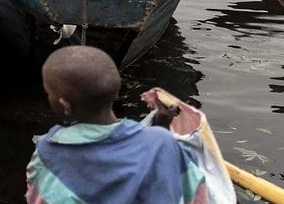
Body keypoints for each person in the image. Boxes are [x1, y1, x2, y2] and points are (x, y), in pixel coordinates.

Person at [26, 46, 206, 203]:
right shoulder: (163, 142)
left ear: (65, 105)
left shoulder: (49, 154)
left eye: (48, 93)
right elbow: (193, 192)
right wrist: (161, 129)